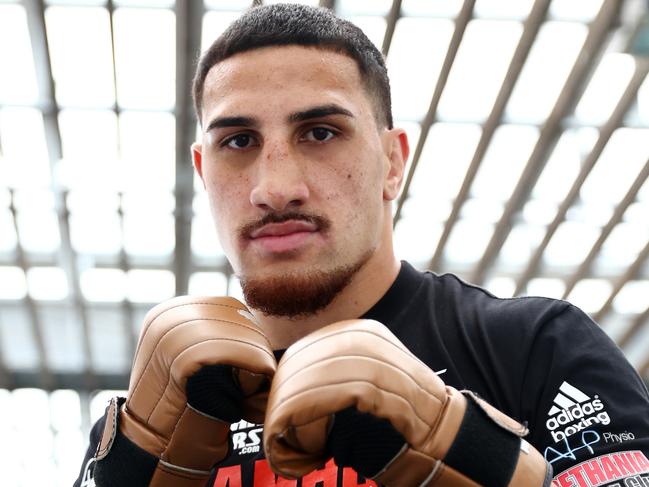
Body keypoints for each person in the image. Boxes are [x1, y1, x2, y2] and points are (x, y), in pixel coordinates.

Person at [75, 3, 649, 486]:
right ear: (203, 172)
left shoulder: (533, 347)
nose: (275, 188)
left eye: (320, 133)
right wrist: (126, 466)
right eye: (239, 140)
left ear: (393, 163)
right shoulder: (159, 410)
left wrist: (474, 450)